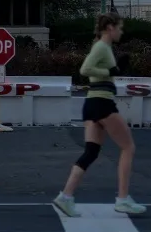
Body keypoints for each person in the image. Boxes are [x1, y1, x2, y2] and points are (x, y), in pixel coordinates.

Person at [53, 13, 144, 217]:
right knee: (128, 147)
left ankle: (65, 197)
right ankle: (123, 199)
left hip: (93, 103)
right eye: (119, 28)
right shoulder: (102, 47)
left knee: (91, 152)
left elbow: (100, 70)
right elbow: (85, 69)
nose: (121, 32)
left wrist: (114, 70)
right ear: (109, 28)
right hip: (102, 103)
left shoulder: (104, 48)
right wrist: (112, 71)